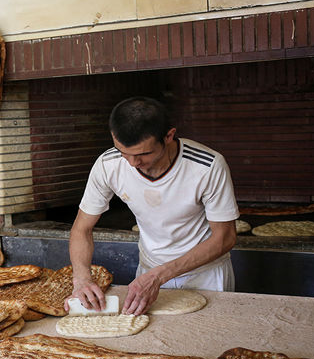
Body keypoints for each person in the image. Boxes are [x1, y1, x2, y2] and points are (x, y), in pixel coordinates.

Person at [65, 96, 239, 316]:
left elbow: (225, 237)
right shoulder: (108, 165)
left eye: (143, 154)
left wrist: (159, 276)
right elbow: (82, 228)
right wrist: (81, 279)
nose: (132, 163)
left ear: (168, 136)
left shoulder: (207, 166)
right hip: (147, 274)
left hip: (205, 275)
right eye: (123, 153)